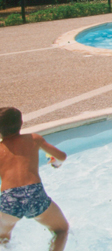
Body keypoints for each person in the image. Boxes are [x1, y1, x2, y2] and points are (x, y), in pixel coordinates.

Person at [0, 107, 69, 251]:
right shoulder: (33, 139)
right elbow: (61, 156)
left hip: (9, 197)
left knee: (2, 238)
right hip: (34, 193)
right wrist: (55, 163)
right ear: (21, 123)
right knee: (61, 230)